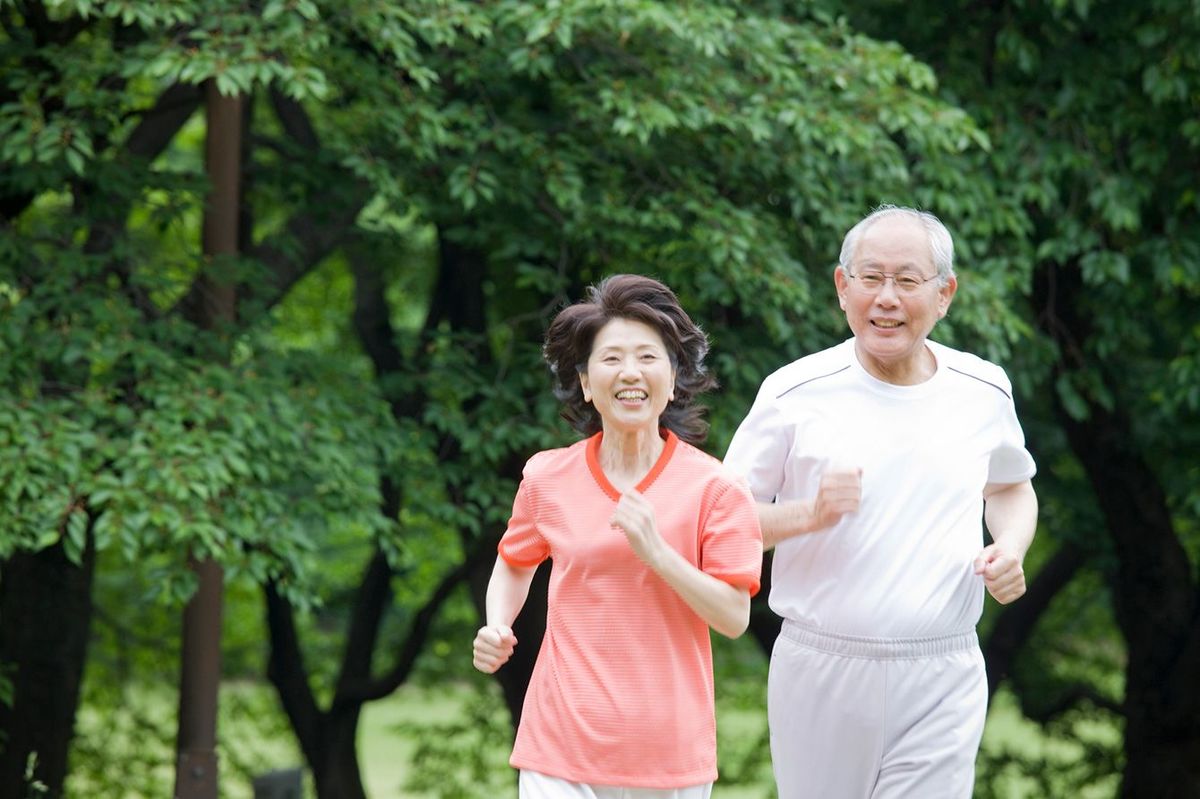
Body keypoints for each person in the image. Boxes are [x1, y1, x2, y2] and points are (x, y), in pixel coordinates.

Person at [723, 205, 1039, 799]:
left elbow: (1009, 486)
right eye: (870, 278)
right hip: (822, 667)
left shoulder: (983, 388)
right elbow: (721, 525)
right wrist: (808, 514)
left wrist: (1012, 547)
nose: (886, 297)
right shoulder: (793, 393)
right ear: (843, 288)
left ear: (944, 294)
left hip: (943, 667)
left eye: (907, 280)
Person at [472, 274, 763, 799]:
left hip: (668, 754)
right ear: (585, 383)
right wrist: (497, 624)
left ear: (673, 379)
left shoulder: (716, 488)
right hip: (559, 746)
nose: (630, 372)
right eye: (611, 359)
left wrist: (658, 554)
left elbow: (733, 617)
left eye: (648, 357)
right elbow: (515, 562)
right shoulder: (546, 477)